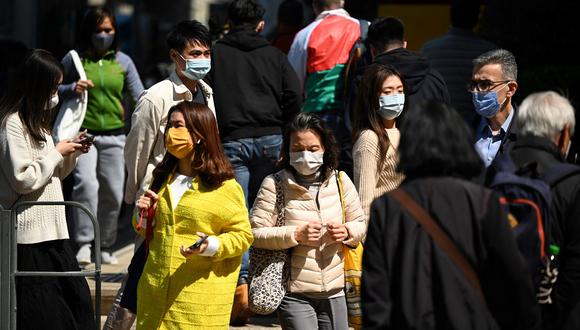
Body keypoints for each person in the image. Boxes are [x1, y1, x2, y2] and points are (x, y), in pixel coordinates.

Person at [361, 100, 541, 329]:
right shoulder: (484, 202)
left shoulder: (387, 208)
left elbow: (376, 297)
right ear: (460, 142)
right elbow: (514, 282)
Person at [108, 19, 215, 327]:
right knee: (141, 272)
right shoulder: (155, 98)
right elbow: (137, 151)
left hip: (195, 196)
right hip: (158, 197)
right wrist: (138, 194)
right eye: (194, 53)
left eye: (206, 52)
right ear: (175, 56)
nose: (202, 59)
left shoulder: (207, 95)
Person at [207, 0, 302, 323]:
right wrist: (286, 135)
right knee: (270, 215)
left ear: (229, 23)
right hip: (270, 140)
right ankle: (271, 287)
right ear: (261, 24)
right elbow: (295, 95)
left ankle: (240, 289)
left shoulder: (216, 54)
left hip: (231, 140)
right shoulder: (274, 55)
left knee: (236, 216)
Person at [134, 101, 253, 329]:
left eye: (178, 125)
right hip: (155, 294)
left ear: (199, 133)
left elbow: (243, 236)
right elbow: (145, 230)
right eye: (169, 126)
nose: (170, 133)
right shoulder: (160, 177)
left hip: (196, 299)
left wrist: (210, 245)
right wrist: (144, 214)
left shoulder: (224, 186)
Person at [0, 49, 95, 329]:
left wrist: (71, 152)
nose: (56, 93)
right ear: (36, 84)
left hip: (55, 231)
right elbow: (24, 179)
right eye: (53, 86)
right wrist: (57, 150)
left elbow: (53, 174)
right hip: (29, 237)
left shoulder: (39, 124)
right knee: (47, 315)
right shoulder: (12, 124)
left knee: (77, 305)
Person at [251, 112, 366, 330]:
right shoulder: (273, 184)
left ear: (325, 148)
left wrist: (348, 231)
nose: (305, 155)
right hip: (294, 293)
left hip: (336, 291)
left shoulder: (341, 181)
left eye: (313, 149)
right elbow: (255, 234)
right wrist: (295, 234)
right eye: (297, 149)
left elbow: (360, 222)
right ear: (287, 150)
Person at [59, 7, 144, 266]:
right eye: (98, 30)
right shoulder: (74, 60)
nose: (104, 35)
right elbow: (53, 89)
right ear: (88, 32)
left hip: (116, 135)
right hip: (83, 134)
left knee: (113, 191)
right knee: (86, 185)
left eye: (108, 30)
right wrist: (71, 88)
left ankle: (105, 242)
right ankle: (83, 243)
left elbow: (140, 95)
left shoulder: (123, 61)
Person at [505, 91, 580, 330]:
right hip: (554, 313)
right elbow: (576, 266)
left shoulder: (495, 171)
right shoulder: (573, 183)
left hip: (503, 310)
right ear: (564, 133)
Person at [288, 0, 361, 177]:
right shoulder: (362, 28)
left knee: (318, 176)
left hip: (315, 117)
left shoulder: (305, 35)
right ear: (342, 1)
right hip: (355, 116)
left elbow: (294, 81)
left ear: (314, 5)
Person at [421, 0, 497, 123]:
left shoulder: (428, 50)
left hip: (438, 124)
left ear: (450, 16)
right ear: (477, 18)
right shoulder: (490, 51)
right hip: (475, 129)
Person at [352, 64, 406, 220]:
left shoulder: (404, 131)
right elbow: (364, 203)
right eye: (388, 92)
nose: (396, 96)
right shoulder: (369, 139)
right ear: (372, 97)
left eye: (400, 91)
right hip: (385, 226)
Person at [469, 49, 519, 178]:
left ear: (511, 89)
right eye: (474, 84)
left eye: (485, 84)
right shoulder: (465, 131)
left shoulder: (525, 135)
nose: (476, 91)